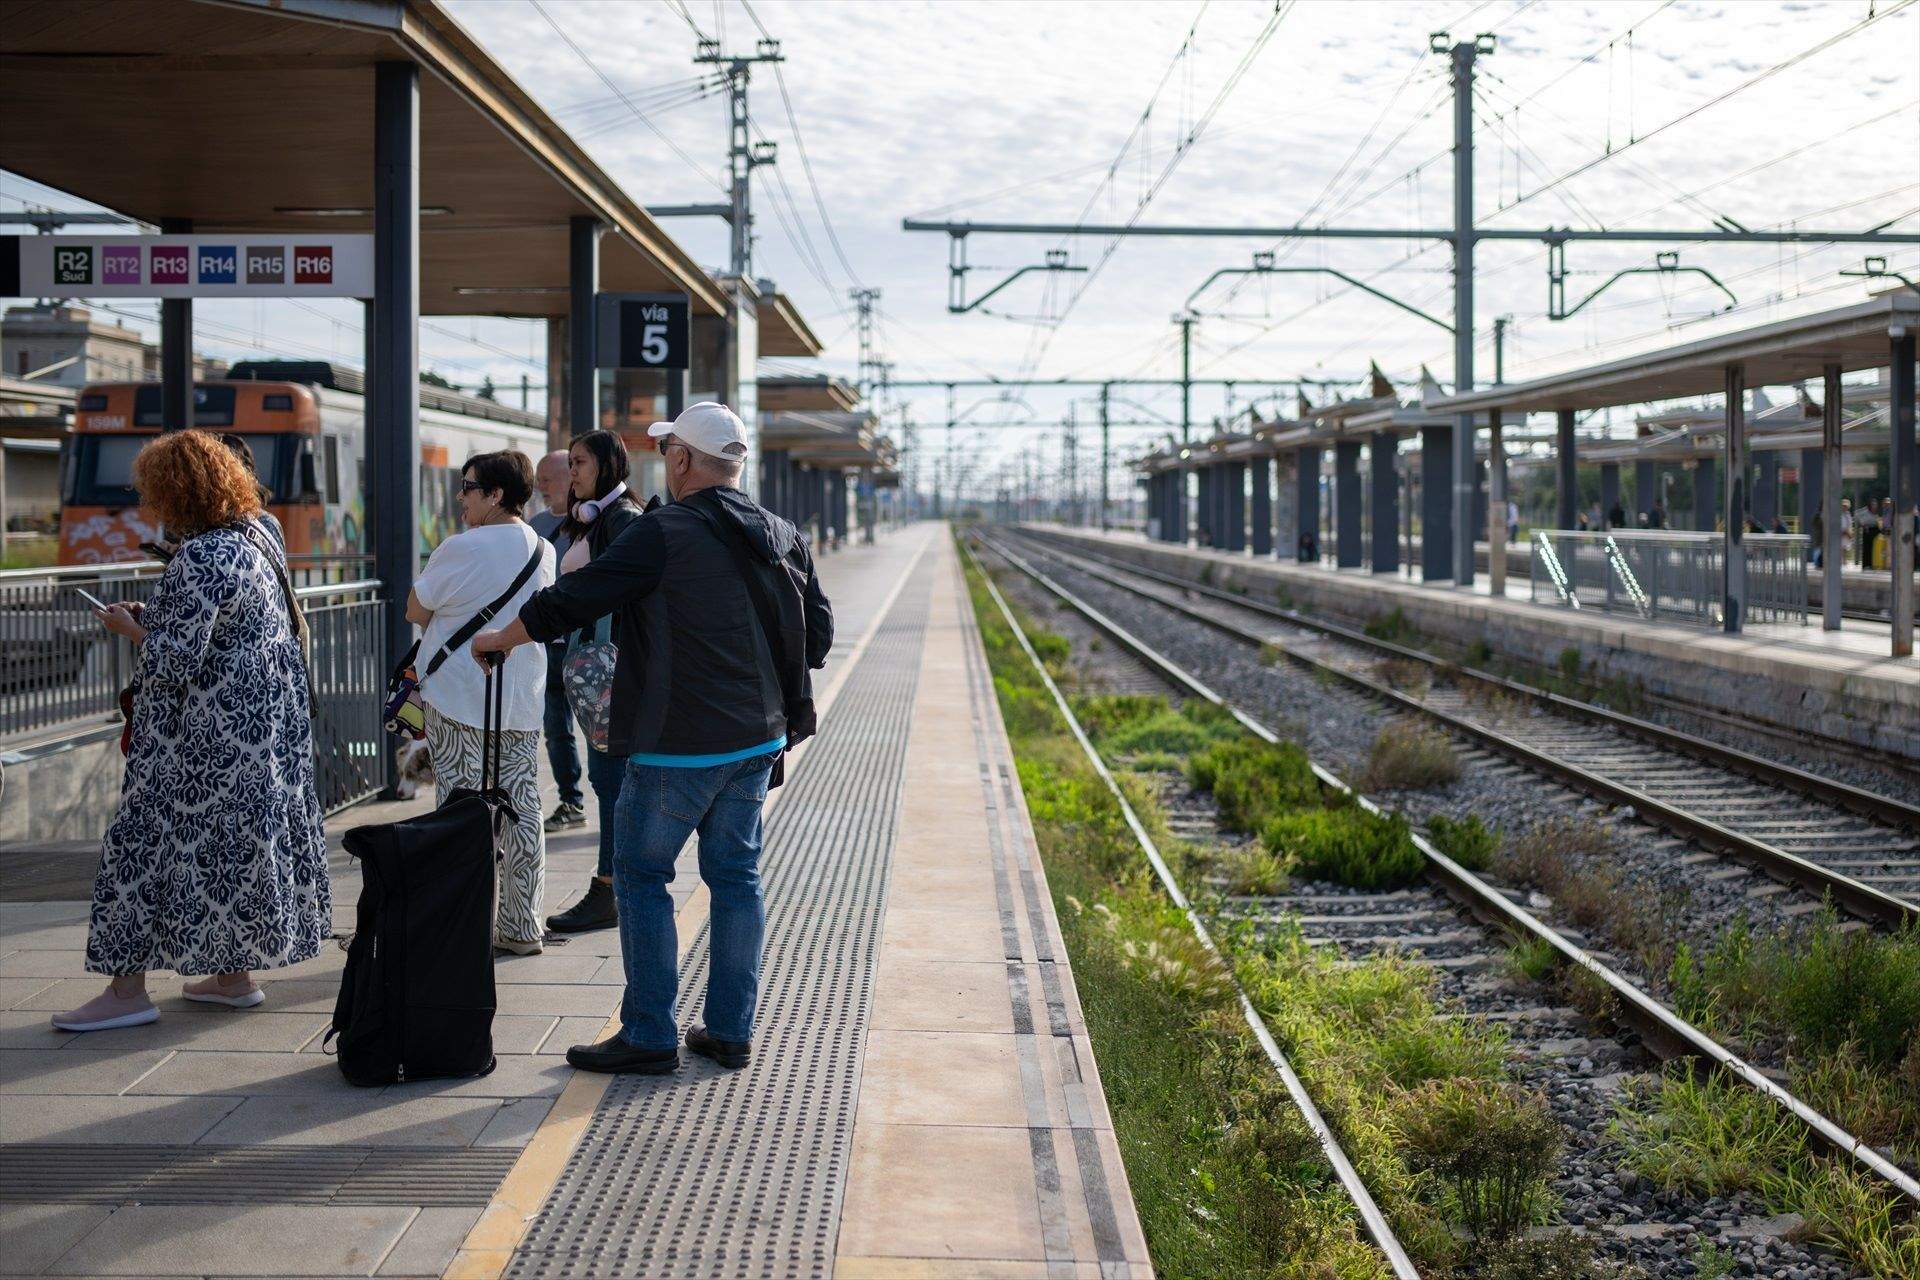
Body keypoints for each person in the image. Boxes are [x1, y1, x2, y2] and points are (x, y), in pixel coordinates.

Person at [473, 403, 832, 1075]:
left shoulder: (661, 531)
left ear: (686, 460)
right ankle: (728, 1031)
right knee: (736, 879)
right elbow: (820, 638)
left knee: (641, 877)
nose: (666, 461)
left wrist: (499, 638)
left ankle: (648, 1034)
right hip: (757, 742)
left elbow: (573, 600)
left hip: (675, 746)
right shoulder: (782, 533)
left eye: (670, 451)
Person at [54, 430, 329, 1031]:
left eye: (154, 493)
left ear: (177, 493)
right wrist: (153, 616)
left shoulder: (199, 557)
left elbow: (175, 658)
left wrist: (132, 630)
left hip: (197, 741)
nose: (149, 505)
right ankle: (232, 977)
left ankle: (125, 993)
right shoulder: (258, 538)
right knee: (226, 850)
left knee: (141, 849)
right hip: (256, 736)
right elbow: (227, 625)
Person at [408, 450, 556, 955]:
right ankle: (521, 926)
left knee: (459, 806)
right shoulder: (543, 548)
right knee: (522, 807)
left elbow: (416, 608)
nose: (460, 497)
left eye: (468, 487)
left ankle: (462, 924)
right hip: (518, 699)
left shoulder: (460, 547)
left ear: (495, 494)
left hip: (457, 696)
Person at [545, 430, 644, 935]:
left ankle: (610, 888)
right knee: (609, 782)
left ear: (607, 465)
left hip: (612, 671)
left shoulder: (622, 520)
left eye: (581, 462)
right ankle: (616, 886)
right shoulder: (597, 519)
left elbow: (619, 591)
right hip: (597, 669)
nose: (573, 472)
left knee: (611, 783)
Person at [528, 450, 585, 833]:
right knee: (556, 726)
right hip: (548, 645)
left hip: (586, 643)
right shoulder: (535, 525)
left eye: (547, 478)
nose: (540, 487)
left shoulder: (595, 524)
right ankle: (571, 801)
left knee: (604, 729)